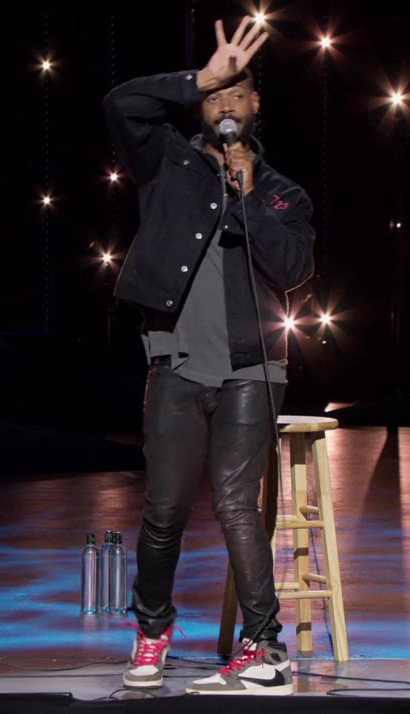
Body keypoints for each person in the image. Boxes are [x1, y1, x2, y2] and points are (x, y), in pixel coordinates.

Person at [102, 16, 315, 696]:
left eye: (237, 91)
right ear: (202, 104)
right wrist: (201, 75)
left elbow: (294, 270)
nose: (226, 102)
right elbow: (120, 104)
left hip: (253, 369)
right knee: (164, 509)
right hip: (178, 363)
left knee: (235, 505)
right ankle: (153, 631)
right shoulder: (167, 162)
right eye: (217, 94)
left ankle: (265, 649)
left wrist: (251, 201)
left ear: (256, 106)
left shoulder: (282, 193)